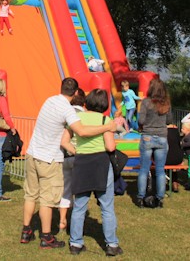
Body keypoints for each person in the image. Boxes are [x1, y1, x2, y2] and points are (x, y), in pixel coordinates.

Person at [20, 77, 116, 249]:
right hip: (48, 158)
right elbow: (82, 131)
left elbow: (67, 136)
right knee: (47, 199)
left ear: (61, 87)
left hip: (32, 152)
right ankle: (46, 237)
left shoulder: (49, 100)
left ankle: (26, 230)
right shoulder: (68, 110)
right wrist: (107, 127)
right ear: (76, 92)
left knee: (31, 194)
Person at [64, 89, 123, 256]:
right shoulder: (105, 120)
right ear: (104, 104)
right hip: (101, 164)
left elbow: (64, 141)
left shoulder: (77, 119)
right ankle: (112, 244)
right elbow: (110, 147)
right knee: (107, 206)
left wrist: (77, 152)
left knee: (79, 205)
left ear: (87, 102)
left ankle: (75, 243)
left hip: (82, 163)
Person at [136, 78, 173, 208]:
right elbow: (169, 120)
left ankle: (141, 197)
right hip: (162, 136)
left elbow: (141, 120)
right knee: (160, 170)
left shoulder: (146, 102)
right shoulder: (166, 103)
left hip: (147, 136)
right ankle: (159, 198)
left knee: (144, 169)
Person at [59, 89, 85, 232]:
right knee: (80, 191)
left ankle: (62, 220)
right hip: (79, 155)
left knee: (66, 189)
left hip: (64, 155)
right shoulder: (84, 115)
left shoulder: (65, 113)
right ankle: (76, 221)